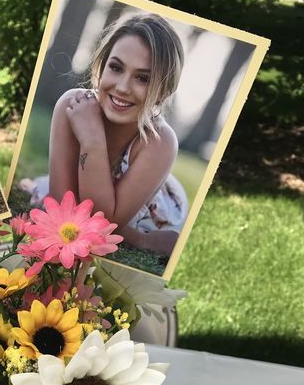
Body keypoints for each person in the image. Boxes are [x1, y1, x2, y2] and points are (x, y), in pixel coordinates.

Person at [21, 13, 187, 256]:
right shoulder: (72, 105)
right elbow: (62, 213)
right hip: (92, 197)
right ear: (102, 65)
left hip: (148, 207)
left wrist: (92, 139)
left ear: (163, 91)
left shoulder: (160, 140)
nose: (122, 87)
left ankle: (143, 238)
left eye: (142, 78)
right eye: (116, 68)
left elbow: (101, 226)